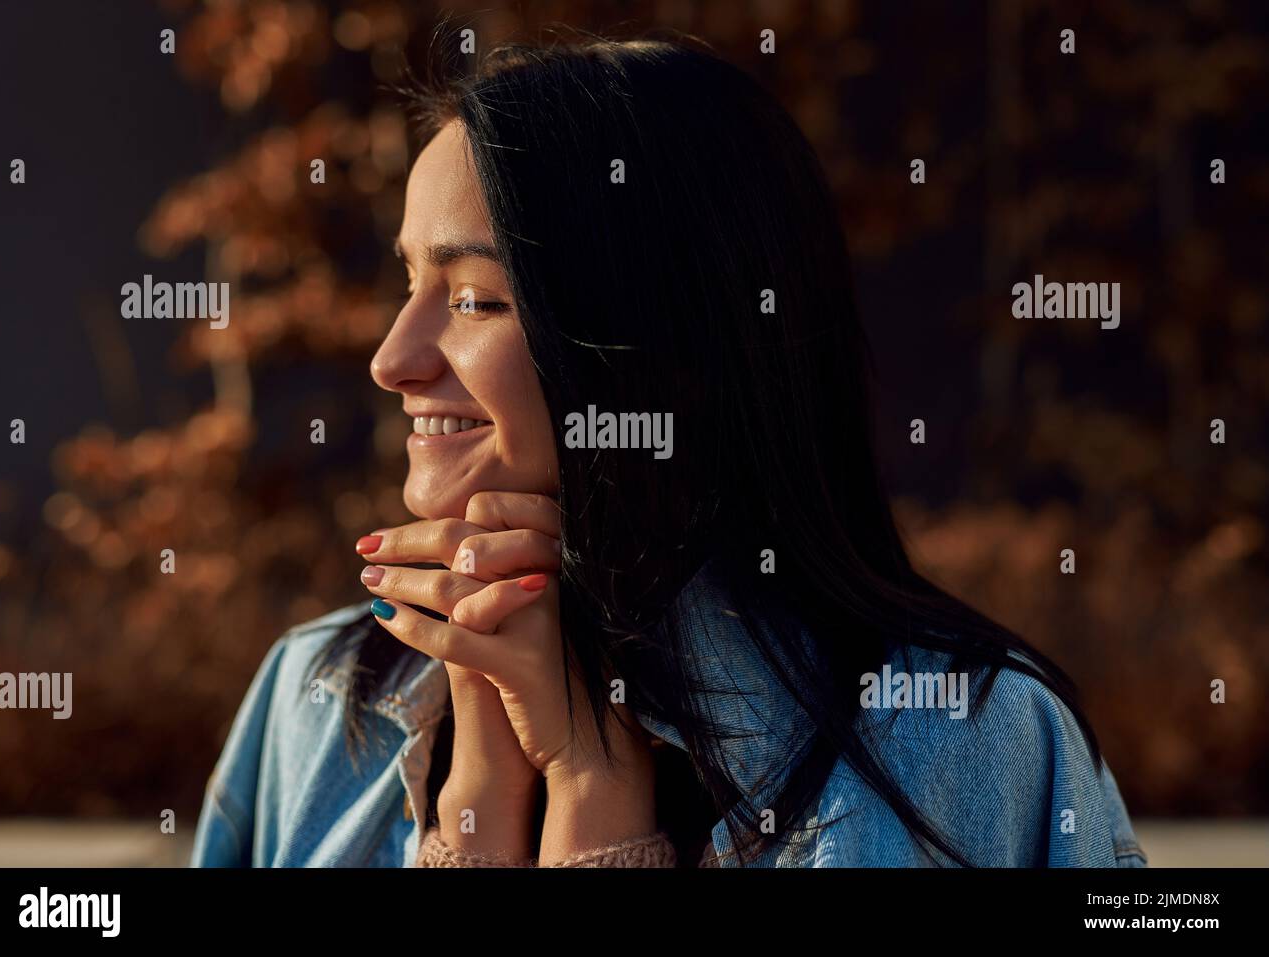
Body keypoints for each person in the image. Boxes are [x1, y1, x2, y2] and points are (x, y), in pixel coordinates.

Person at [191, 36, 1146, 868]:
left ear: (669, 344)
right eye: (407, 280)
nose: (391, 359)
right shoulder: (319, 697)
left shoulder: (971, 741)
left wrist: (594, 797)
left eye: (477, 297)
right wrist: (474, 806)